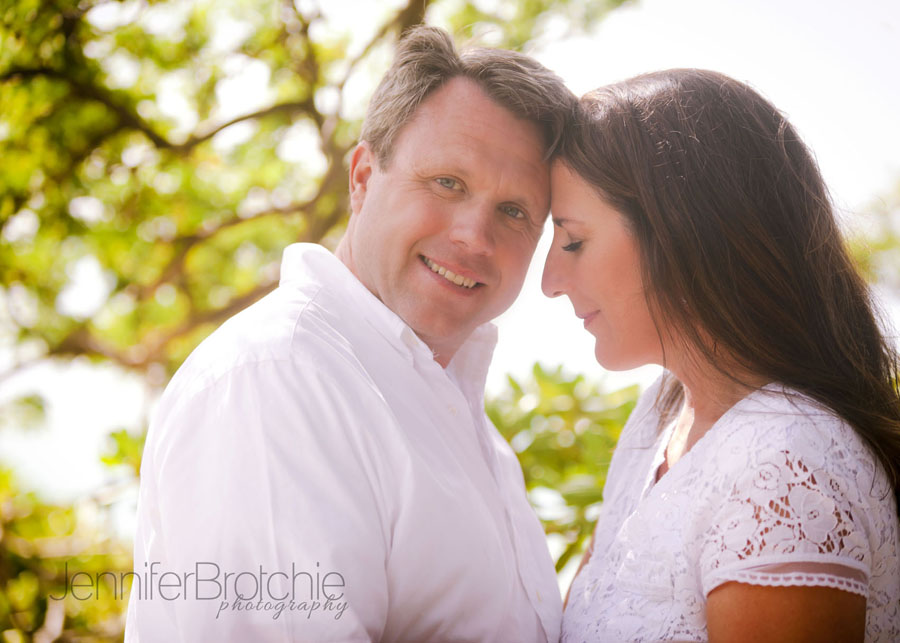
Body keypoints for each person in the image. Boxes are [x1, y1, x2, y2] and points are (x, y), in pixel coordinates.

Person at [125, 25, 575, 642]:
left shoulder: (473, 433)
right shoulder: (278, 381)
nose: (476, 235)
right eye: (448, 182)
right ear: (362, 176)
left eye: (515, 211)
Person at [542, 68, 900, 641]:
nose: (550, 281)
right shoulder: (656, 420)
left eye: (574, 241)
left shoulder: (786, 468)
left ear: (682, 231)